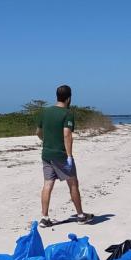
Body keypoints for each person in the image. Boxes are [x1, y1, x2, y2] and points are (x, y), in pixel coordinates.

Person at [36, 84, 92, 227]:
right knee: (73, 183)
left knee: (47, 184)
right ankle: (80, 215)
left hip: (46, 154)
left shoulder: (45, 112)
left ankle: (44, 217)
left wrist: (46, 141)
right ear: (68, 98)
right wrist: (69, 156)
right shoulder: (67, 113)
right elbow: (67, 134)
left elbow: (38, 132)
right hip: (60, 155)